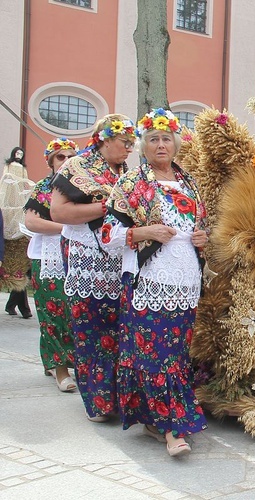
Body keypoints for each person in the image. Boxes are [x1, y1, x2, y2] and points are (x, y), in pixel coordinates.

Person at [103, 108, 208, 457]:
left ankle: (154, 420)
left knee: (175, 355)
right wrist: (144, 231)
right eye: (153, 139)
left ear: (175, 144)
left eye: (166, 139)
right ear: (142, 146)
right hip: (149, 281)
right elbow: (106, 235)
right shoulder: (131, 183)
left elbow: (200, 226)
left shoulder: (189, 183)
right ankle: (173, 429)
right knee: (156, 356)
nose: (160, 145)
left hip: (185, 282)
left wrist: (202, 238)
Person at [50, 113, 136, 423]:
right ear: (106, 139)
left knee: (120, 330)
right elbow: (59, 210)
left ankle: (119, 398)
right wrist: (107, 206)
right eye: (125, 142)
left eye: (131, 142)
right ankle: (98, 403)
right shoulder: (77, 166)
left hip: (120, 259)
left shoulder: (128, 170)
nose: (129, 148)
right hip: (87, 256)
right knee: (91, 330)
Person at [24, 138, 79, 392]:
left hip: (77, 257)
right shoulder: (43, 188)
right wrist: (68, 226)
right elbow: (33, 223)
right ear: (50, 160)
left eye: (70, 156)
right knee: (53, 312)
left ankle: (60, 360)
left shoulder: (81, 187)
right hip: (48, 258)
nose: (65, 160)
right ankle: (60, 369)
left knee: (73, 311)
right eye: (60, 156)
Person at [2, 147, 33, 319]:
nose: (19, 156)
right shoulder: (8, 170)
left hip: (19, 217)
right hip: (11, 211)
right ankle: (22, 308)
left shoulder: (23, 170)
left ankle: (16, 306)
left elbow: (24, 183)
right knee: (18, 272)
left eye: (22, 154)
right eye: (17, 153)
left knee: (21, 271)